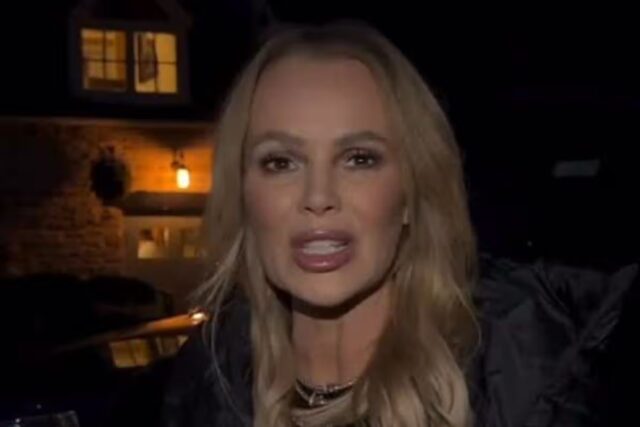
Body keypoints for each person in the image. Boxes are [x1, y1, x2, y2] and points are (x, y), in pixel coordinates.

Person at [161, 22, 639, 427]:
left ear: (412, 192)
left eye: (359, 158)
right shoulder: (206, 389)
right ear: (244, 195)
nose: (318, 197)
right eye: (281, 162)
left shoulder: (535, 379)